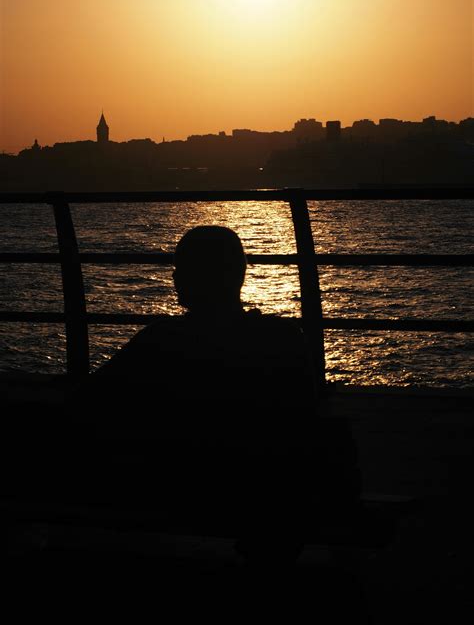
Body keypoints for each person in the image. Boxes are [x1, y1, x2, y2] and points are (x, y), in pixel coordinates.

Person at [69, 225, 361, 558]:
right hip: (263, 495)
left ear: (186, 280)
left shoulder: (159, 340)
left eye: (182, 270)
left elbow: (86, 400)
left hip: (179, 490)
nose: (176, 279)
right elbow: (304, 413)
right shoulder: (284, 338)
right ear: (240, 274)